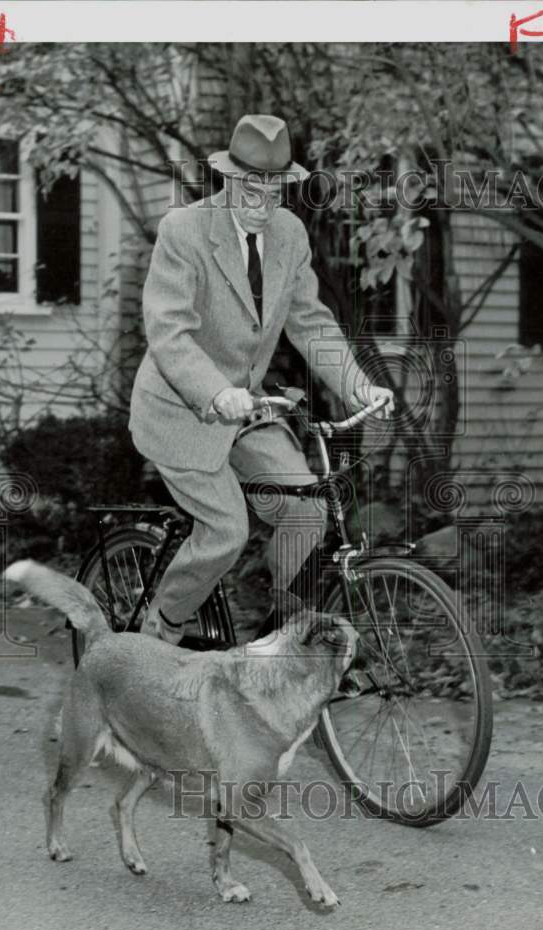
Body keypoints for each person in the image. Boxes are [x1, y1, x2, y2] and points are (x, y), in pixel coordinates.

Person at [129, 114, 394, 644]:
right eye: (252, 184)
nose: (262, 199)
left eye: (275, 186)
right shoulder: (184, 231)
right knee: (226, 531)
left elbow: (310, 321)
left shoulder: (289, 235)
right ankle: (159, 635)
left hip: (246, 411)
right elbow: (169, 331)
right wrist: (216, 391)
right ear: (229, 177)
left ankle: (279, 636)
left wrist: (358, 386)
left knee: (308, 510)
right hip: (180, 410)